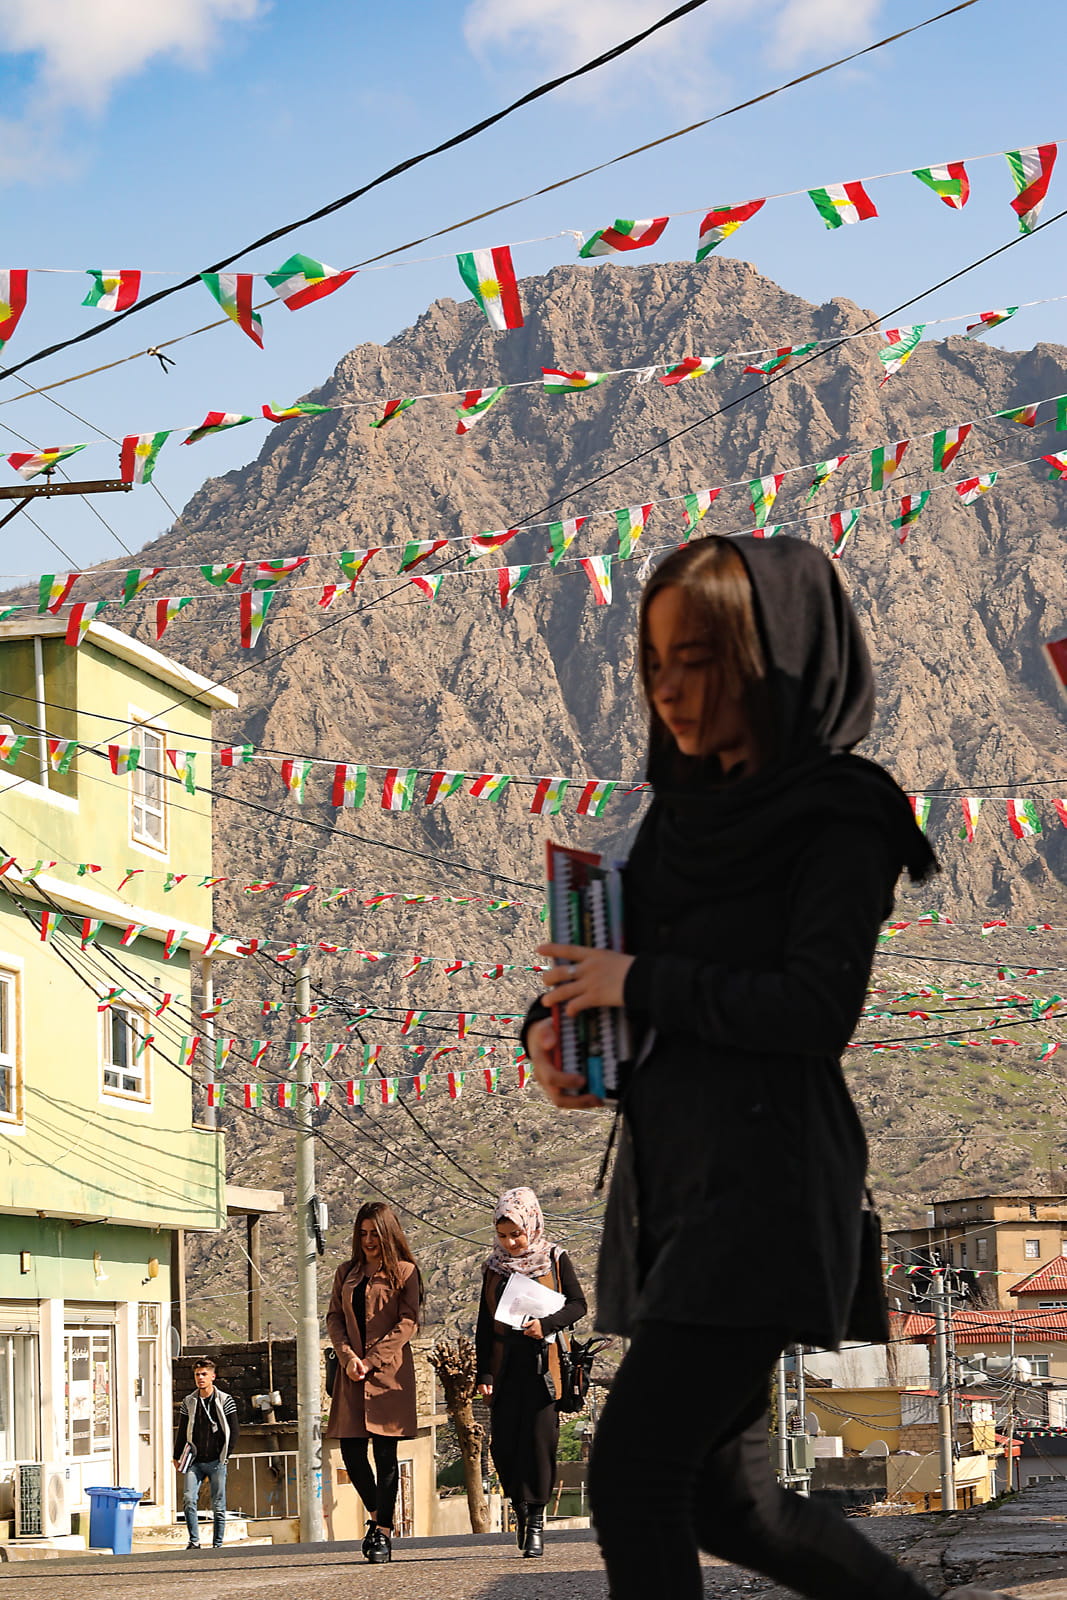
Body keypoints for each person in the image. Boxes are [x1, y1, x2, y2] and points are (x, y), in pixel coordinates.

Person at [526, 536, 1003, 1600]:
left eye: (696, 657)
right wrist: (547, 1037)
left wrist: (632, 982)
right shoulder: (676, 824)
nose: (670, 689)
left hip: (767, 1191)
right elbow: (599, 966)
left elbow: (809, 1007)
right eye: (652, 664)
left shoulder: (840, 813)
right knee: (728, 1499)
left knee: (632, 1475)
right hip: (671, 1196)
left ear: (769, 655)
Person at [475, 1185, 587, 1559]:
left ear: (532, 1225)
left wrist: (547, 1323)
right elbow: (483, 1326)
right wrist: (484, 1375)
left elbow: (578, 1305)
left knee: (539, 1444)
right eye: (503, 1235)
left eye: (517, 1234)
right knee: (504, 1446)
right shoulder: (492, 1269)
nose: (511, 1243)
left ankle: (536, 1521)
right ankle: (521, 1511)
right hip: (504, 1369)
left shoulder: (555, 1258)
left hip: (543, 1367)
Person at [325, 1200, 421, 1565]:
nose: (367, 1240)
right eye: (362, 1234)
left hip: (389, 1374)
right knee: (351, 1452)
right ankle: (378, 1516)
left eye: (374, 1234)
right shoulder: (345, 1272)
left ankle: (382, 1534)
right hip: (351, 1376)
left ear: (388, 1234)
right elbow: (335, 1317)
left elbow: (408, 1322)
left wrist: (372, 1359)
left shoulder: (405, 1272)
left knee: (385, 1456)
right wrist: (349, 1357)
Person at [173, 1357, 239, 1550]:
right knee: (188, 1498)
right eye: (197, 1375)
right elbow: (182, 1429)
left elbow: (234, 1430)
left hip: (217, 1460)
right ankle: (194, 1541)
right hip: (194, 1460)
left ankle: (217, 1544)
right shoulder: (189, 1401)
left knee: (218, 1504)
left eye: (204, 1374)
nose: (200, 1378)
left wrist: (226, 1455)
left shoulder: (225, 1400)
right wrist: (177, 1456)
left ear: (213, 1376)